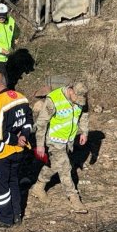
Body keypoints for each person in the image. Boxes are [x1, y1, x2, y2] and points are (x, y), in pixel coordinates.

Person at [30, 81, 89, 213]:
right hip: (54, 140)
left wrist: (84, 131)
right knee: (65, 166)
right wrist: (40, 145)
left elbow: (83, 113)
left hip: (68, 140)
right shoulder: (54, 99)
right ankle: (73, 197)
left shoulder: (81, 98)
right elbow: (41, 123)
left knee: (55, 164)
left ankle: (38, 186)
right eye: (77, 99)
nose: (78, 102)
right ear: (71, 91)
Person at [0, 72, 33, 228]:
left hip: (1, 152)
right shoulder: (21, 97)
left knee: (0, 186)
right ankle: (17, 214)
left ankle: (5, 218)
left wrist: (14, 140)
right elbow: (29, 120)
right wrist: (24, 136)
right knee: (13, 182)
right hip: (18, 151)